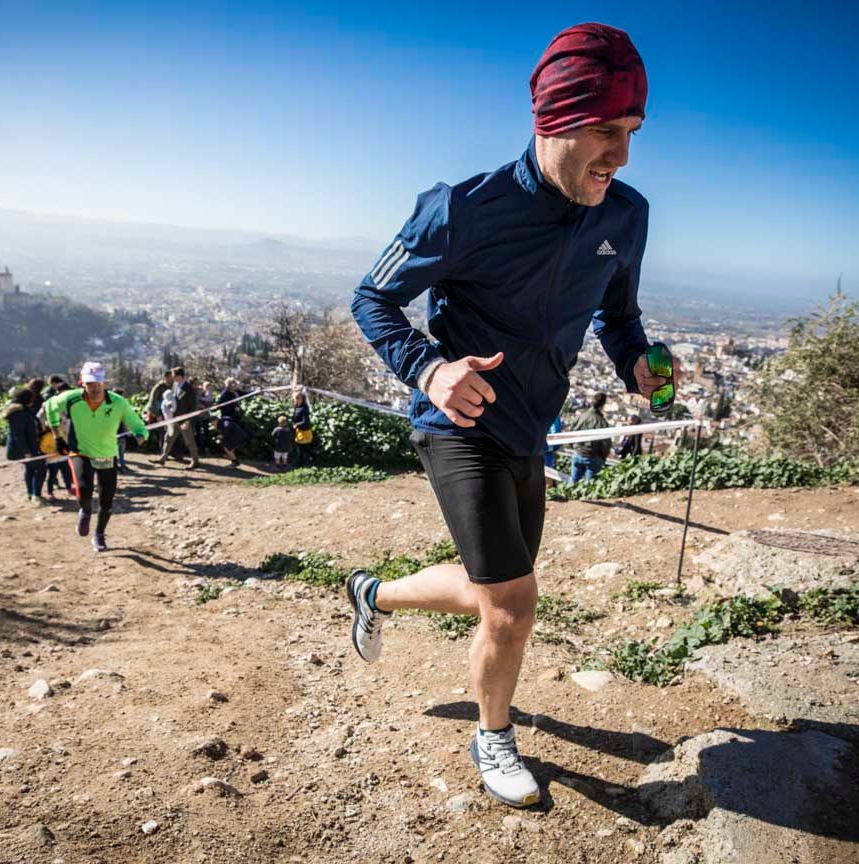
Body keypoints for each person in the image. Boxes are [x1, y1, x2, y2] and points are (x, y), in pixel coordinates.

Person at [346, 23, 675, 810]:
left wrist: (638, 360)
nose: (620, 156)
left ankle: (374, 594)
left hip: (533, 429)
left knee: (493, 593)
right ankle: (493, 737)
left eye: (631, 133)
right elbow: (372, 298)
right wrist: (430, 366)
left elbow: (618, 316)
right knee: (515, 604)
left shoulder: (624, 215)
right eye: (604, 131)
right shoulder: (461, 209)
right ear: (552, 120)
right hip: (456, 423)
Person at [43, 361, 148, 552]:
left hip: (107, 454)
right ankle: (85, 509)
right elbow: (50, 406)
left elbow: (140, 427)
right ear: (82, 382)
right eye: (91, 383)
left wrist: (137, 440)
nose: (95, 387)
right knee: (84, 490)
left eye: (99, 383)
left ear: (104, 382)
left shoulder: (118, 402)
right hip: (80, 451)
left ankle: (99, 535)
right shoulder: (71, 398)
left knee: (107, 501)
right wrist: (57, 435)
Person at [2, 387, 45, 506]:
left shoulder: (25, 410)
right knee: (40, 468)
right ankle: (36, 495)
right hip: (27, 448)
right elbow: (18, 435)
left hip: (32, 446)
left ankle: (31, 494)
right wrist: (26, 452)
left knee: (30, 469)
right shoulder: (18, 414)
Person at [157, 366, 199, 469]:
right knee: (169, 437)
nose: (172, 378)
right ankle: (163, 457)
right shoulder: (175, 385)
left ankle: (195, 460)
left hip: (185, 420)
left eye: (174, 376)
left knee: (189, 441)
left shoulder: (189, 388)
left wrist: (188, 420)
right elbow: (173, 399)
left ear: (179, 376)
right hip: (175, 417)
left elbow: (193, 406)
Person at [568, 393, 612, 483]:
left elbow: (571, 432)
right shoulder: (602, 422)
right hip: (593, 457)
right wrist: (603, 457)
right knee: (590, 486)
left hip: (578, 453)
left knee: (572, 482)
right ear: (603, 405)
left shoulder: (581, 416)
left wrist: (572, 446)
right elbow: (606, 444)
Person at [147, 370, 173, 453]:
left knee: (168, 432)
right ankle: (162, 451)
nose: (171, 379)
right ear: (165, 377)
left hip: (169, 412)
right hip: (159, 413)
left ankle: (167, 451)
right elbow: (152, 402)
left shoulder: (172, 386)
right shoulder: (158, 387)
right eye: (169, 377)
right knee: (161, 432)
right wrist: (157, 415)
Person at [291, 390, 314, 466]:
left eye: (298, 398)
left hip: (304, 431)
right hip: (298, 431)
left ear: (302, 399)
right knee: (299, 449)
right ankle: (301, 462)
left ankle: (302, 464)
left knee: (302, 449)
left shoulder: (305, 408)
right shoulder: (297, 406)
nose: (296, 400)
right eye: (295, 398)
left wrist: (296, 424)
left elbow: (305, 421)